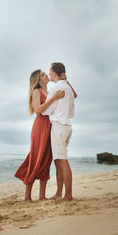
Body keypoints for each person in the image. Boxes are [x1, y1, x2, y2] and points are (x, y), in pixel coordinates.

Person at [15, 69, 65, 202]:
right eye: (43, 75)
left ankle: (42, 196)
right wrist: (54, 98)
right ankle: (27, 197)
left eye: (45, 73)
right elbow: (38, 110)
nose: (46, 75)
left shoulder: (50, 92)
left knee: (46, 160)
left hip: (51, 127)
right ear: (38, 80)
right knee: (35, 158)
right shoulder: (36, 92)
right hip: (40, 127)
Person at [43, 62, 77, 201]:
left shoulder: (55, 88)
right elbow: (75, 96)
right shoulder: (67, 87)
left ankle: (68, 195)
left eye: (50, 71)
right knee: (58, 161)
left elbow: (47, 111)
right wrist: (67, 80)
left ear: (55, 74)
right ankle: (59, 193)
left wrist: (46, 104)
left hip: (59, 126)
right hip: (67, 126)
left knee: (62, 161)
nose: (49, 74)